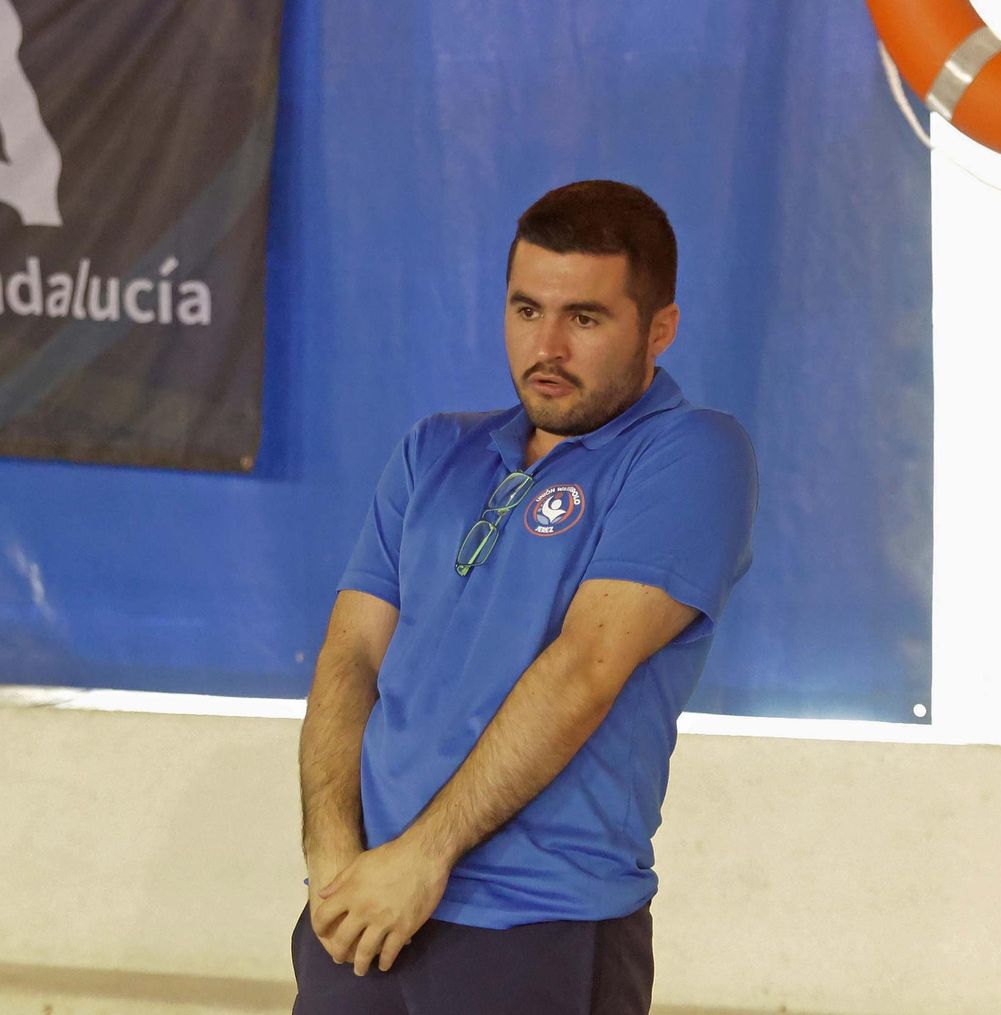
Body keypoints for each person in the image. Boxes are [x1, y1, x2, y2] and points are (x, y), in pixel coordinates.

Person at [291, 180, 759, 1015]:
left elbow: (585, 667)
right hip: (362, 913)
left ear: (660, 329)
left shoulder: (691, 453)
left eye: (584, 318)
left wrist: (422, 856)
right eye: (525, 309)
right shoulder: (434, 450)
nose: (547, 345)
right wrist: (331, 855)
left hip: (539, 924)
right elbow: (352, 652)